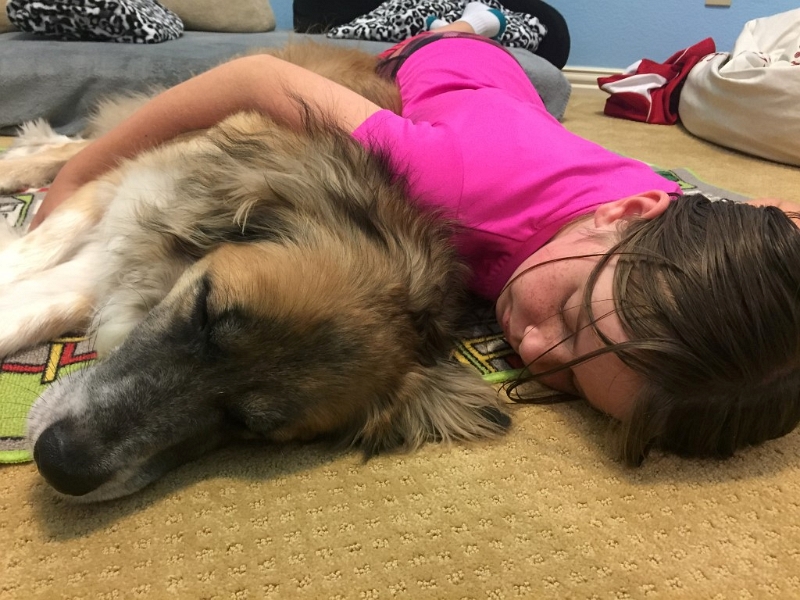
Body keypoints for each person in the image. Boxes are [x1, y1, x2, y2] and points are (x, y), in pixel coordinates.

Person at [28, 3, 800, 465]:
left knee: (546, 71)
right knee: (421, 61)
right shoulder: (446, 181)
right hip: (437, 63)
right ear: (625, 214)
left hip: (512, 103)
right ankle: (464, 23)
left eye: (569, 379)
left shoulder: (666, 220)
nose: (533, 349)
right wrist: (77, 179)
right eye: (569, 317)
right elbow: (256, 81)